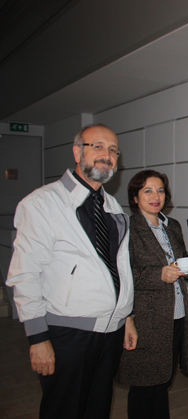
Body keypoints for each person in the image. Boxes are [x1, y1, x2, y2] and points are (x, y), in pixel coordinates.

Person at [7, 123, 137, 419]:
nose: (107, 155)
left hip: (110, 331)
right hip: (67, 334)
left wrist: (126, 316)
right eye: (98, 146)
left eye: (113, 150)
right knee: (64, 410)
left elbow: (119, 268)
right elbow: (25, 273)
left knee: (97, 409)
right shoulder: (42, 203)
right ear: (77, 152)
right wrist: (37, 337)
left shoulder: (112, 206)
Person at [117, 170, 188, 419]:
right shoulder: (128, 229)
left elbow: (179, 260)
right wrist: (157, 274)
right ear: (135, 197)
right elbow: (122, 275)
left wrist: (187, 269)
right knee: (142, 385)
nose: (155, 196)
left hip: (176, 315)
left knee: (162, 381)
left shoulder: (173, 226)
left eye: (160, 190)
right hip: (146, 319)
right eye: (147, 191)